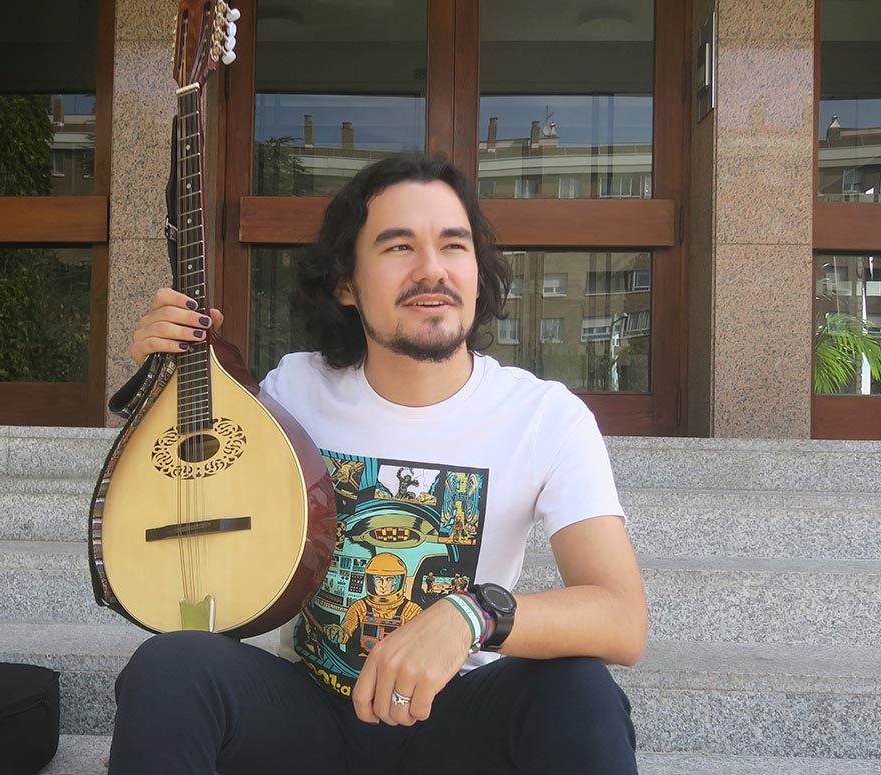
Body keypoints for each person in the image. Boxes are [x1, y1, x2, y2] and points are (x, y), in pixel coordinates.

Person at [106, 155, 647, 775]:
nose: (432, 270)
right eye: (398, 247)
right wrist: (166, 381)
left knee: (578, 691)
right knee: (172, 667)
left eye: (453, 245)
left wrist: (471, 614)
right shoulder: (294, 392)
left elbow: (620, 617)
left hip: (458, 722)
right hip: (308, 715)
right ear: (346, 282)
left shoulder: (545, 417)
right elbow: (180, 505)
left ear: (476, 271)